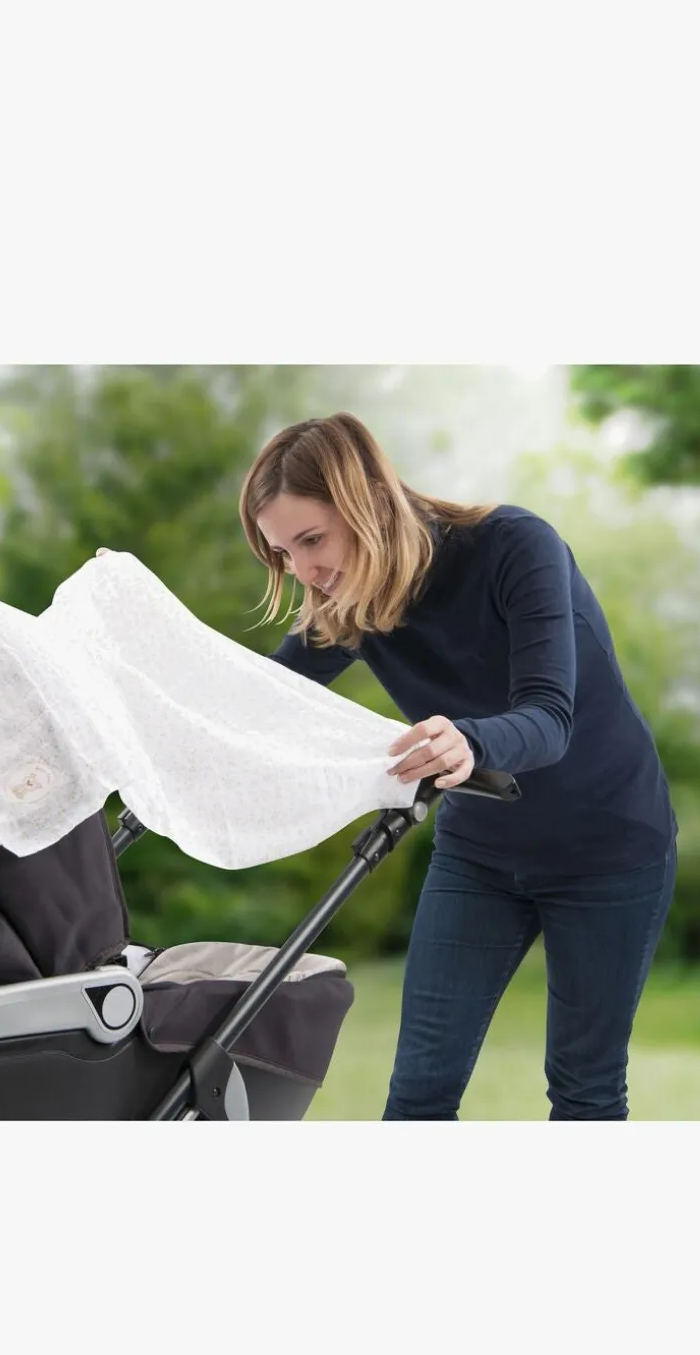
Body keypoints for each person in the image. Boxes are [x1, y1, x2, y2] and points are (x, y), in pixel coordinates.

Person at [238, 411, 677, 1121]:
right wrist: (132, 642)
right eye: (284, 553)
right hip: (481, 856)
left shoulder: (514, 547)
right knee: (418, 1093)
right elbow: (256, 699)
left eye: (312, 539)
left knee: (585, 1090)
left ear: (369, 502)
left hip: (610, 848)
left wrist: (469, 739)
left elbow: (550, 719)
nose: (305, 572)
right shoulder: (351, 599)